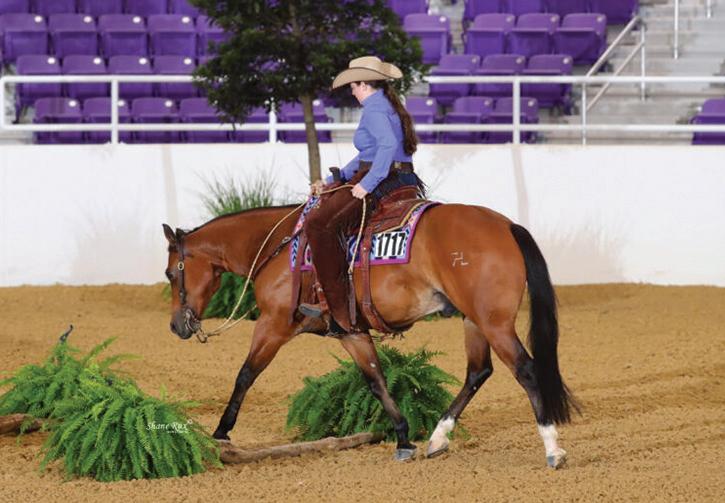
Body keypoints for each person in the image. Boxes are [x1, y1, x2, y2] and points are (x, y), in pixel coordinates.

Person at [299, 55, 424, 335]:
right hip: (399, 176)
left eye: (353, 86)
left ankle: (336, 306)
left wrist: (368, 183)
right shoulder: (385, 105)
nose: (352, 91)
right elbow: (369, 153)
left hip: (383, 179)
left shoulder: (374, 109)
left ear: (364, 85)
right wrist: (335, 179)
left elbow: (387, 146)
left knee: (318, 224)